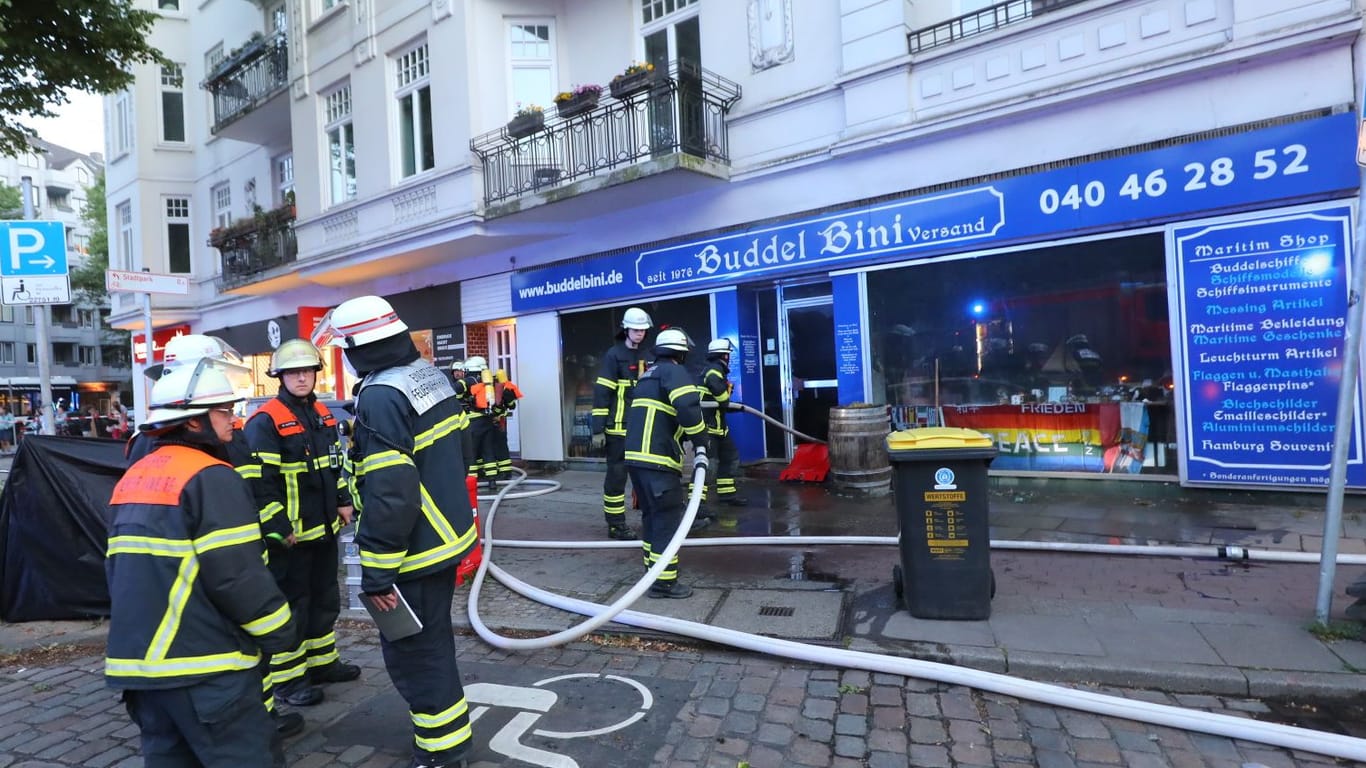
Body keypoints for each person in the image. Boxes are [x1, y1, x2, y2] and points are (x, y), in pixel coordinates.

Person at [312, 295, 477, 768]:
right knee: (434, 644)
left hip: (413, 552)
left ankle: (442, 753)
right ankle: (449, 743)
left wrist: (378, 572)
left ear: (360, 347)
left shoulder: (381, 396)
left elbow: (389, 492)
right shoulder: (431, 376)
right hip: (445, 538)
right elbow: (461, 451)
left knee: (415, 655)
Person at [105, 363, 297, 767]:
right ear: (194, 423)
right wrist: (280, 632)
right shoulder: (211, 476)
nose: (234, 419)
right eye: (224, 412)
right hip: (206, 670)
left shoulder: (135, 476)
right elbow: (237, 576)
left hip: (141, 671)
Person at [244, 339, 360, 711]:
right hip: (289, 538)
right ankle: (289, 680)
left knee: (324, 599)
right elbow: (259, 482)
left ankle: (322, 663)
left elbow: (334, 465)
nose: (300, 378)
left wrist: (343, 501)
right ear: (279, 376)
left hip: (323, 530)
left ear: (315, 374)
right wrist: (277, 527)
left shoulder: (323, 414)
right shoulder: (266, 421)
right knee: (292, 606)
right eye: (293, 372)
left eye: (306, 371)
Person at [624, 328, 708, 599]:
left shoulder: (647, 376)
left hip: (637, 462)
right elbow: (687, 406)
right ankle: (664, 584)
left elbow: (664, 415)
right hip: (659, 462)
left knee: (651, 518)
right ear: (680, 352)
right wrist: (701, 442)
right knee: (667, 520)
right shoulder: (674, 373)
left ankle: (652, 573)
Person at [591, 307, 653, 540]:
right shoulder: (613, 355)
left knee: (643, 475)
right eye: (636, 330)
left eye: (643, 330)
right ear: (626, 329)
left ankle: (648, 517)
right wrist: (598, 429)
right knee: (616, 478)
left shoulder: (646, 355)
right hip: (617, 429)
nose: (640, 334)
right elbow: (602, 393)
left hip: (641, 428)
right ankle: (616, 525)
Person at [694, 338, 747, 523]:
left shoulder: (714, 370)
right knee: (708, 466)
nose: (729, 358)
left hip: (719, 427)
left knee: (730, 457)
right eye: (728, 354)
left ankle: (727, 494)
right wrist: (728, 399)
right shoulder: (714, 371)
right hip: (708, 428)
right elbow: (721, 397)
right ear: (723, 355)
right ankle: (697, 505)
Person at [462, 356, 499, 487]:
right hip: (487, 420)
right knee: (488, 451)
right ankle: (492, 480)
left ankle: (472, 481)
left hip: (473, 422)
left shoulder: (469, 381)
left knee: (471, 452)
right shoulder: (488, 381)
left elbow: (456, 391)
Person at [489, 369, 523, 481]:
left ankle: (504, 472)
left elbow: (509, 405)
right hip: (499, 420)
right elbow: (511, 405)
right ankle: (503, 470)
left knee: (500, 445)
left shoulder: (504, 390)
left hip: (499, 421)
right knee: (497, 445)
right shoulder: (507, 388)